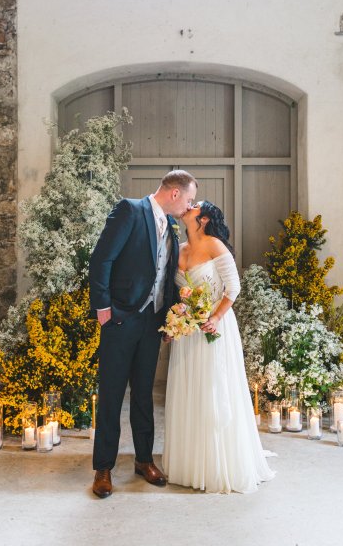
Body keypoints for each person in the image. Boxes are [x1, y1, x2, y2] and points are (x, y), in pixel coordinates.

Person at [89, 170, 197, 498]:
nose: (189, 207)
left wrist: (169, 319)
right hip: (120, 318)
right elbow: (101, 259)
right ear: (175, 193)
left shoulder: (173, 226)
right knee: (111, 395)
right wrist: (103, 309)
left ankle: (144, 460)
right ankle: (103, 468)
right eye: (189, 199)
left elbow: (164, 278)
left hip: (152, 323)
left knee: (143, 396)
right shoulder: (130, 210)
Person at [162, 201, 275, 494]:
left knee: (214, 389)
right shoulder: (181, 248)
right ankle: (189, 462)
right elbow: (175, 291)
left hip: (215, 327)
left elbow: (233, 288)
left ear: (203, 219)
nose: (188, 206)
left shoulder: (215, 245)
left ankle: (217, 462)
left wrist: (213, 317)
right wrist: (175, 323)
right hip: (188, 331)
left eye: (194, 205)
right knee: (190, 390)